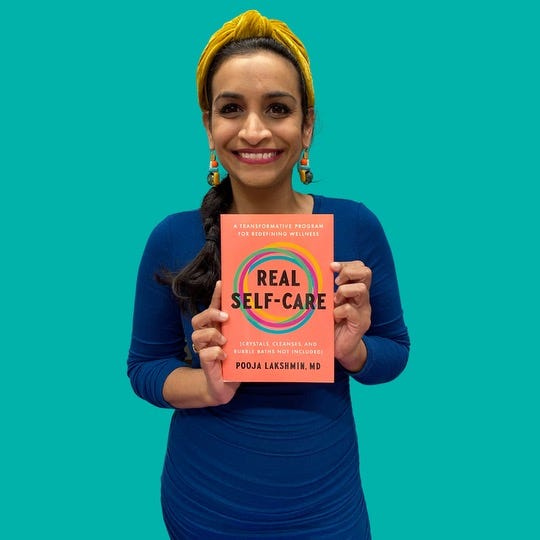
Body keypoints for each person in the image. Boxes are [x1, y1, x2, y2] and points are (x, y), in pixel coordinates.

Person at [127, 9, 410, 539]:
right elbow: (145, 367)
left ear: (307, 126)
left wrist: (352, 350)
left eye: (277, 108)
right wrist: (208, 386)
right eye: (231, 108)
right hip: (204, 504)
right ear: (209, 126)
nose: (254, 130)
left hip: (326, 505)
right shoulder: (171, 236)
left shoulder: (354, 224)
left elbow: (394, 351)